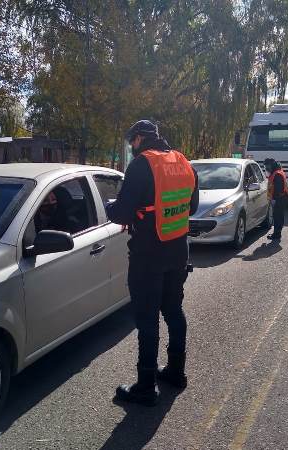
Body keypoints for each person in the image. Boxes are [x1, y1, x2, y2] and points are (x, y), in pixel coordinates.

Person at [106, 120, 199, 406]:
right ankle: (175, 371)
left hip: (148, 255)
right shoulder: (184, 163)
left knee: (147, 320)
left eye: (131, 142)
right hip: (178, 251)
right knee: (173, 310)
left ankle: (146, 386)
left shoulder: (141, 165)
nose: (131, 148)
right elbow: (192, 207)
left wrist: (111, 206)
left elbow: (121, 213)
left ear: (138, 140)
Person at [265, 159, 288, 242]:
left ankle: (277, 234)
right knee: (278, 216)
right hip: (280, 198)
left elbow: (279, 189)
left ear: (272, 166)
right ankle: (277, 233)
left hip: (280, 198)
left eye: (268, 166)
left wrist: (275, 199)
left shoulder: (277, 174)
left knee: (278, 217)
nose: (267, 168)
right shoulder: (275, 172)